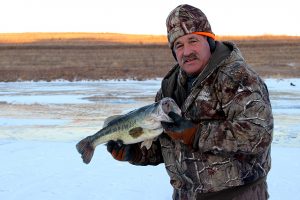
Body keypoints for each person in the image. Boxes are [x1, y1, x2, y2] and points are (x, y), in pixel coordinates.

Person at [106, 4, 273, 200]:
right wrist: (134, 152)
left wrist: (196, 134)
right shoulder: (169, 89)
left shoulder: (237, 78)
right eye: (179, 45)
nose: (186, 51)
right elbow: (165, 145)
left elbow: (258, 135)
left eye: (193, 40)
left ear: (209, 41)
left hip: (237, 195)